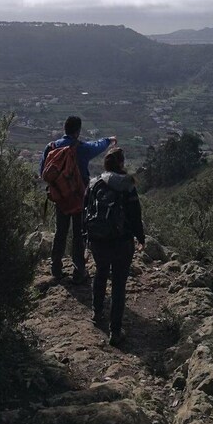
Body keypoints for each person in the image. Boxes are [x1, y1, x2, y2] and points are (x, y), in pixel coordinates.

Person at [39, 115, 116, 283]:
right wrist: (109, 140)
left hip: (60, 197)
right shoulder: (80, 148)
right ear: (78, 131)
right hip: (80, 197)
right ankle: (79, 270)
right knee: (79, 234)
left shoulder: (51, 147)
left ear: (65, 129)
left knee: (60, 231)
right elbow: (97, 146)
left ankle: (56, 269)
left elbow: (42, 172)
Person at [84, 147, 145, 346]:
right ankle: (115, 331)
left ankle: (96, 312)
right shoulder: (127, 185)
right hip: (122, 242)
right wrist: (140, 238)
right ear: (121, 163)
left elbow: (86, 211)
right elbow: (136, 215)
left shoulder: (94, 183)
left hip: (98, 240)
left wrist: (86, 238)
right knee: (119, 284)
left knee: (100, 274)